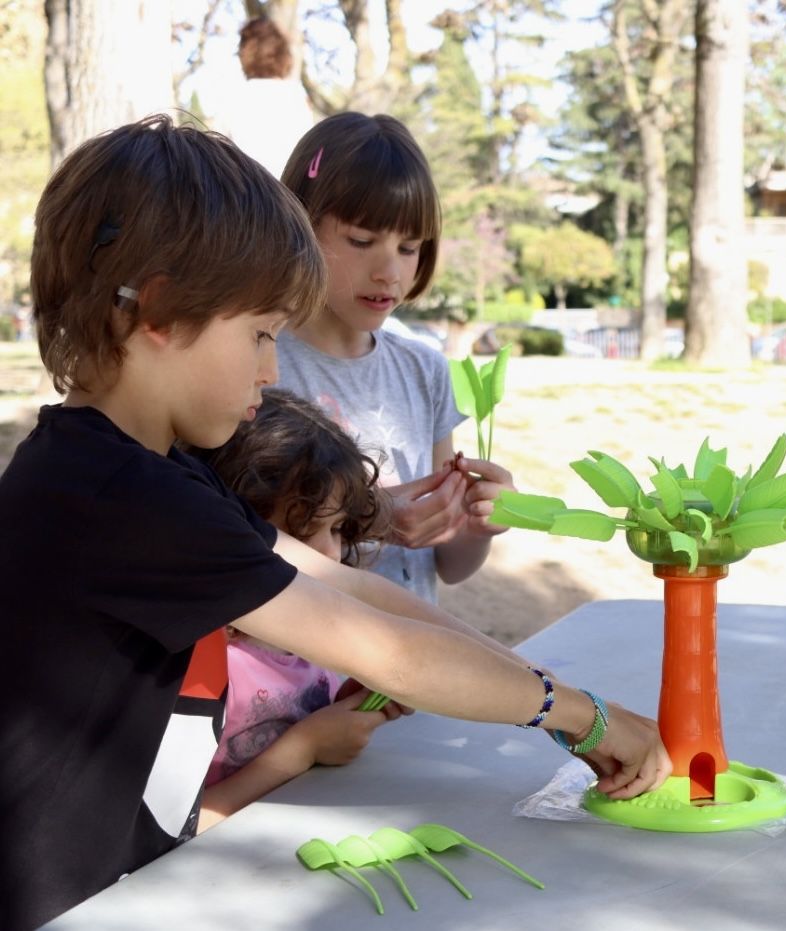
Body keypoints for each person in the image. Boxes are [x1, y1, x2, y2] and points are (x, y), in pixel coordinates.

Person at [0, 116, 669, 931]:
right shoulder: (119, 497)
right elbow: (384, 651)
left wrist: (568, 703)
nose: (272, 368)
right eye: (259, 334)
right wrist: (582, 716)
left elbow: (352, 589)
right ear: (163, 312)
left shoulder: (141, 468)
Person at [273, 112, 500, 605]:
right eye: (361, 240)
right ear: (301, 225)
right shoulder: (261, 364)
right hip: (302, 667)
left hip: (406, 662)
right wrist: (368, 519)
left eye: (409, 247)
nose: (389, 272)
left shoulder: (425, 371)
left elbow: (447, 564)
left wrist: (479, 525)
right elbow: (249, 545)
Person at [191, 389, 406, 831]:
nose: (331, 553)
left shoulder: (314, 633)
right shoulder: (197, 663)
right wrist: (302, 749)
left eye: (339, 528)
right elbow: (176, 828)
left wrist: (352, 704)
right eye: (304, 534)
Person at [212, 17, 314, 177]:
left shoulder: (234, 98)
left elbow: (216, 159)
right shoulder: (297, 98)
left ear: (245, 53)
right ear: (282, 53)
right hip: (291, 197)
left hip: (245, 196)